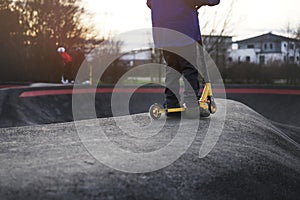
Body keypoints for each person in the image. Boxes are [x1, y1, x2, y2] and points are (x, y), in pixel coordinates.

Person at [146, 0, 220, 118]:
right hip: (183, 31)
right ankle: (191, 104)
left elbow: (149, 3)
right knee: (189, 68)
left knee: (172, 69)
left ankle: (171, 103)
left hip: (164, 35)